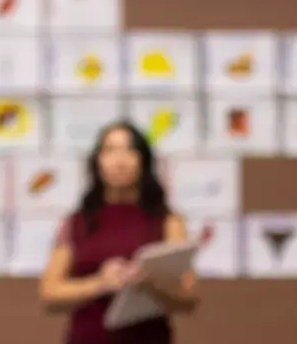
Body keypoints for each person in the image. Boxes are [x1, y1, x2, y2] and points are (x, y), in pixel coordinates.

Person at [37, 121, 199, 342]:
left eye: (129, 151)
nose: (120, 161)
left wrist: (149, 281)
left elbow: (188, 298)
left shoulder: (168, 221)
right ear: (97, 162)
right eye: (110, 151)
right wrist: (101, 283)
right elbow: (50, 293)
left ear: (143, 160)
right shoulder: (76, 223)